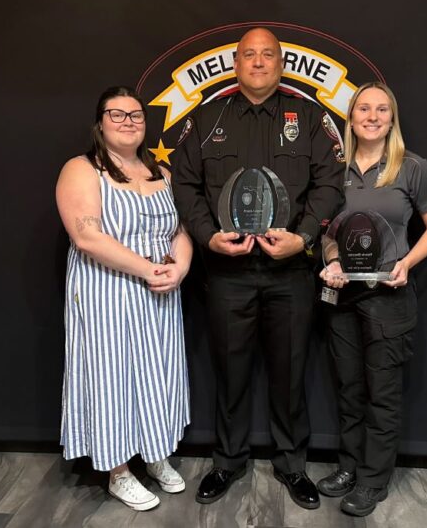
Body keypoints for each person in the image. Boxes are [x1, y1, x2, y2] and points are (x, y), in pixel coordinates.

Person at [172, 27, 344, 510]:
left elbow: (330, 184)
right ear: (235, 64)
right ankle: (227, 460)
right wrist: (207, 236)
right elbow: (185, 186)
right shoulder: (207, 119)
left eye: (268, 55)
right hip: (227, 273)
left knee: (290, 373)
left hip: (291, 273)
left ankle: (292, 464)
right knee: (230, 371)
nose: (259, 62)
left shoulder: (307, 117)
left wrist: (304, 236)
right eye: (249, 55)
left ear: (282, 64)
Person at [56, 86, 192, 511]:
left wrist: (180, 267)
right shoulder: (82, 169)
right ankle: (117, 470)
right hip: (106, 291)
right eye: (117, 115)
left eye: (136, 115)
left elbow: (180, 233)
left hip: (160, 293)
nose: (128, 122)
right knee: (111, 377)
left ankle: (155, 454)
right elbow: (87, 236)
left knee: (158, 375)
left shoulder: (162, 173)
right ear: (100, 123)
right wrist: (149, 269)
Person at [316, 82, 427, 516]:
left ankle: (373, 481)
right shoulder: (333, 171)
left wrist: (407, 262)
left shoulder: (412, 168)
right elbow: (329, 233)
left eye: (382, 110)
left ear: (392, 119)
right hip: (344, 298)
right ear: (350, 118)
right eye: (364, 109)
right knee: (349, 390)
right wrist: (332, 261)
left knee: (382, 394)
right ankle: (349, 468)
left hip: (388, 299)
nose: (372, 116)